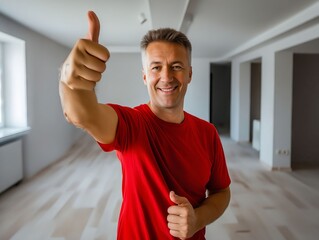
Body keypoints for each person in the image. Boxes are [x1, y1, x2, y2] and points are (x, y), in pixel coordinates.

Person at [59, 10, 231, 240]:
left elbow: (221, 192)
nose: (166, 76)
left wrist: (198, 218)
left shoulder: (207, 133)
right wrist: (70, 82)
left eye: (177, 66)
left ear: (189, 74)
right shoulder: (132, 124)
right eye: (156, 67)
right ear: (144, 76)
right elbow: (82, 114)